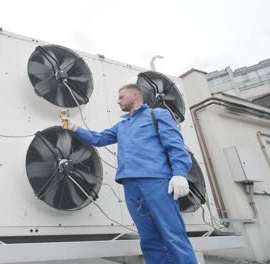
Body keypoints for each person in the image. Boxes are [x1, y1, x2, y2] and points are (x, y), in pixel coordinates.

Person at [63, 83, 197, 264]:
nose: (118, 102)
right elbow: (99, 138)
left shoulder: (157, 115)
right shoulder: (122, 125)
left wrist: (180, 173)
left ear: (135, 95)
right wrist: (74, 128)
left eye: (121, 97)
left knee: (172, 235)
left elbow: (175, 145)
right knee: (149, 239)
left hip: (156, 182)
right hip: (131, 186)